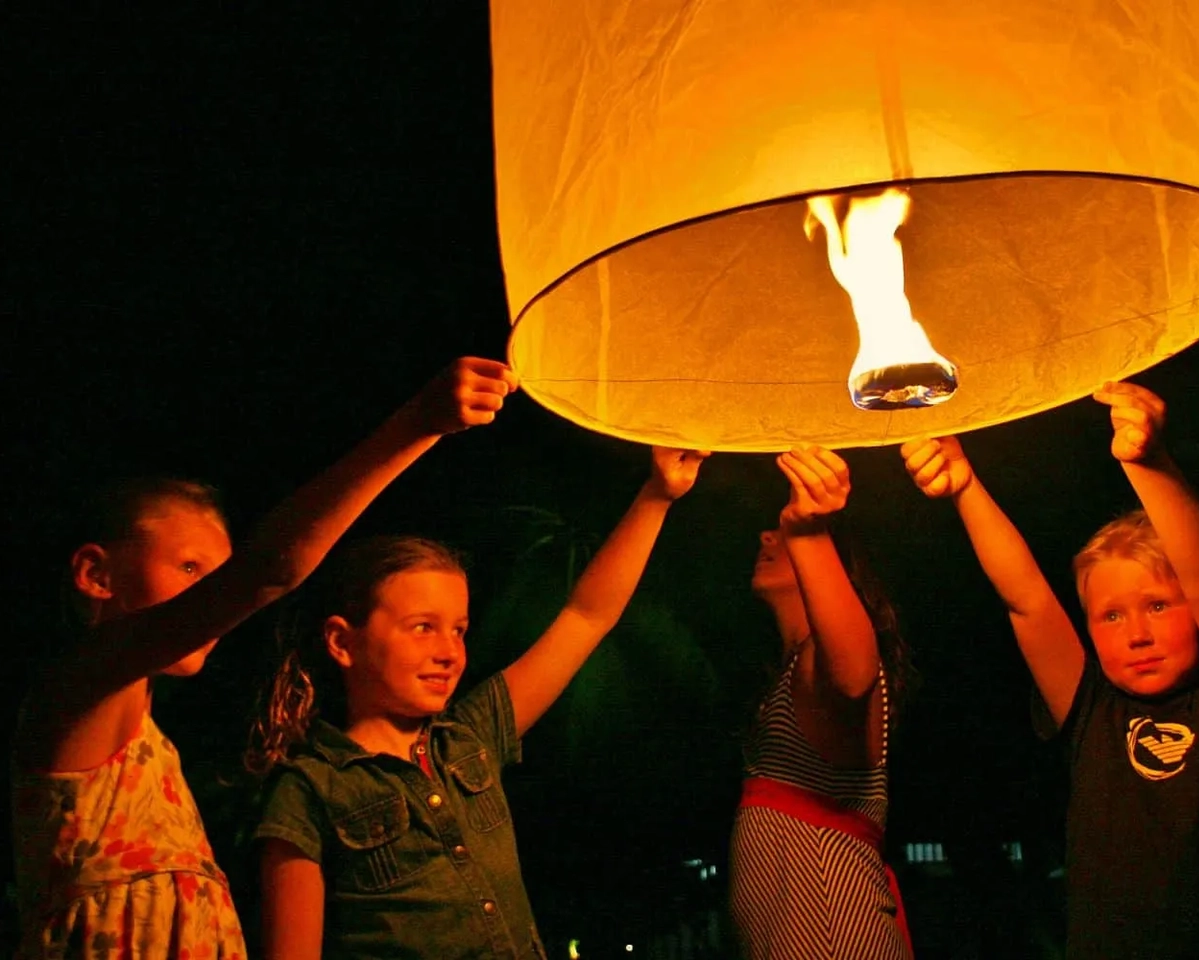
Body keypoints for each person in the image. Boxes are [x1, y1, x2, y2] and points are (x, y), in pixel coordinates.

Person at [10, 356, 518, 960]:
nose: (211, 598)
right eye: (191, 569)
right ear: (96, 574)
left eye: (215, 578)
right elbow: (268, 571)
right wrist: (417, 425)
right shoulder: (73, 689)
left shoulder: (150, 750)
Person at [246, 446, 708, 960]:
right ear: (341, 641)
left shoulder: (469, 737)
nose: (448, 652)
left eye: (459, 630)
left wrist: (657, 496)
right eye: (422, 628)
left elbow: (586, 616)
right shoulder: (309, 791)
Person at [900, 381, 1199, 958]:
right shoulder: (1092, 710)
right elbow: (1026, 598)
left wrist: (1149, 463)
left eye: (1158, 605)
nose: (1137, 633)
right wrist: (965, 488)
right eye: (1110, 615)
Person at [729, 445, 914, 960]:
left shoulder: (824, 663)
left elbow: (855, 675)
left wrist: (805, 530)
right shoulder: (791, 671)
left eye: (780, 530)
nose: (767, 535)